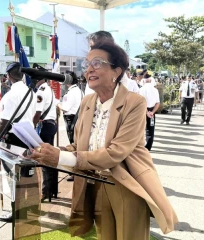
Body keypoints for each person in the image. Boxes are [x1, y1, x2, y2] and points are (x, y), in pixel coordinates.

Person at [29, 41, 177, 240]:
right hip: (94, 184)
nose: (89, 69)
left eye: (97, 63)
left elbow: (115, 153)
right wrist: (48, 151)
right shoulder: (88, 101)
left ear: (116, 70)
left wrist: (61, 157)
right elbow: (80, 145)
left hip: (125, 184)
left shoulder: (134, 102)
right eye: (87, 64)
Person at [0, 62, 37, 223]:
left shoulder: (10, 95)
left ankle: (16, 212)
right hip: (28, 136)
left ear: (8, 76)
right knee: (25, 176)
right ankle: (27, 207)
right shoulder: (31, 93)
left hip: (13, 139)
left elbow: (3, 122)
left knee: (13, 176)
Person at [33, 77, 59, 202]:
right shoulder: (48, 88)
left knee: (45, 159)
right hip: (51, 124)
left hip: (44, 126)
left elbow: (38, 112)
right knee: (51, 158)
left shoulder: (41, 91)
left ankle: (46, 191)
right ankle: (52, 190)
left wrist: (32, 127)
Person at [57, 71, 83, 182]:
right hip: (77, 119)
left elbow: (66, 108)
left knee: (73, 146)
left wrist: (57, 104)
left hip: (71, 119)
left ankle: (74, 172)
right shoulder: (79, 90)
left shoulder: (71, 92)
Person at [139, 74, 160, 151]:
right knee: (151, 129)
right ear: (151, 80)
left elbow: (141, 103)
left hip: (143, 110)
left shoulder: (141, 90)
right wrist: (152, 112)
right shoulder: (155, 90)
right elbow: (158, 103)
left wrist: (146, 112)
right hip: (152, 111)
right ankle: (148, 147)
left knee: (140, 129)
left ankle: (140, 146)